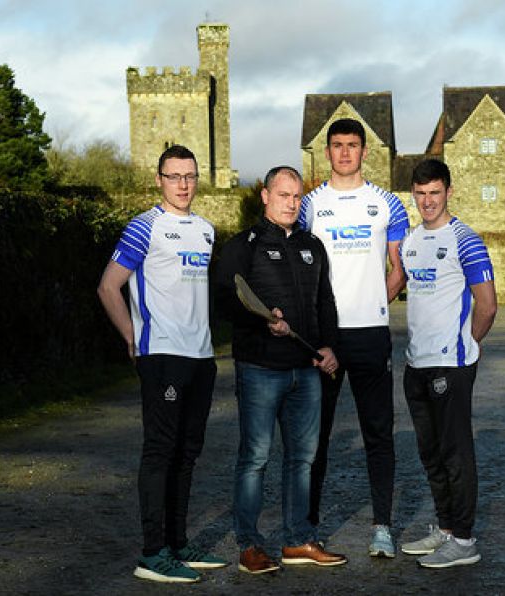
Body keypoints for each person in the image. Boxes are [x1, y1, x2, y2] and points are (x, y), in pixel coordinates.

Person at [97, 145, 227, 583]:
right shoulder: (144, 227)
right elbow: (108, 287)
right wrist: (131, 336)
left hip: (201, 357)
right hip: (163, 355)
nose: (183, 185)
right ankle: (153, 553)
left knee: (187, 454)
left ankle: (177, 543)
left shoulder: (207, 231)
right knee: (160, 452)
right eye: (174, 177)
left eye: (189, 176)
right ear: (159, 180)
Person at [213, 166, 347, 574]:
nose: (291, 202)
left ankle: (297, 540)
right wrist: (263, 320)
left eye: (297, 196)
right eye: (283, 195)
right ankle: (250, 546)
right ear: (265, 196)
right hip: (260, 369)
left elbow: (325, 301)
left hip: (305, 371)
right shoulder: (244, 245)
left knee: (302, 459)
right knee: (255, 458)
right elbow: (224, 298)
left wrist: (328, 345)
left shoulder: (313, 246)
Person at [299, 118, 410, 557]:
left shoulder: (386, 205)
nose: (345, 152)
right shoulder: (309, 205)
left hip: (370, 337)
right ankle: (307, 530)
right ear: (327, 152)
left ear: (365, 151)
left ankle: (382, 527)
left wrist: (372, 302)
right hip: (324, 340)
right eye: (337, 145)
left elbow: (398, 270)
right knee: (315, 438)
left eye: (353, 145)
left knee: (378, 434)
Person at [398, 158, 497, 568]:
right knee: (431, 452)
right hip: (415, 363)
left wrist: (464, 346)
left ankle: (466, 539)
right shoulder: (410, 239)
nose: (427, 201)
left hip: (450, 366)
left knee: (456, 454)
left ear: (449, 192)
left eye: (434, 193)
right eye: (420, 194)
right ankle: (445, 528)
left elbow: (488, 305)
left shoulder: (466, 239)